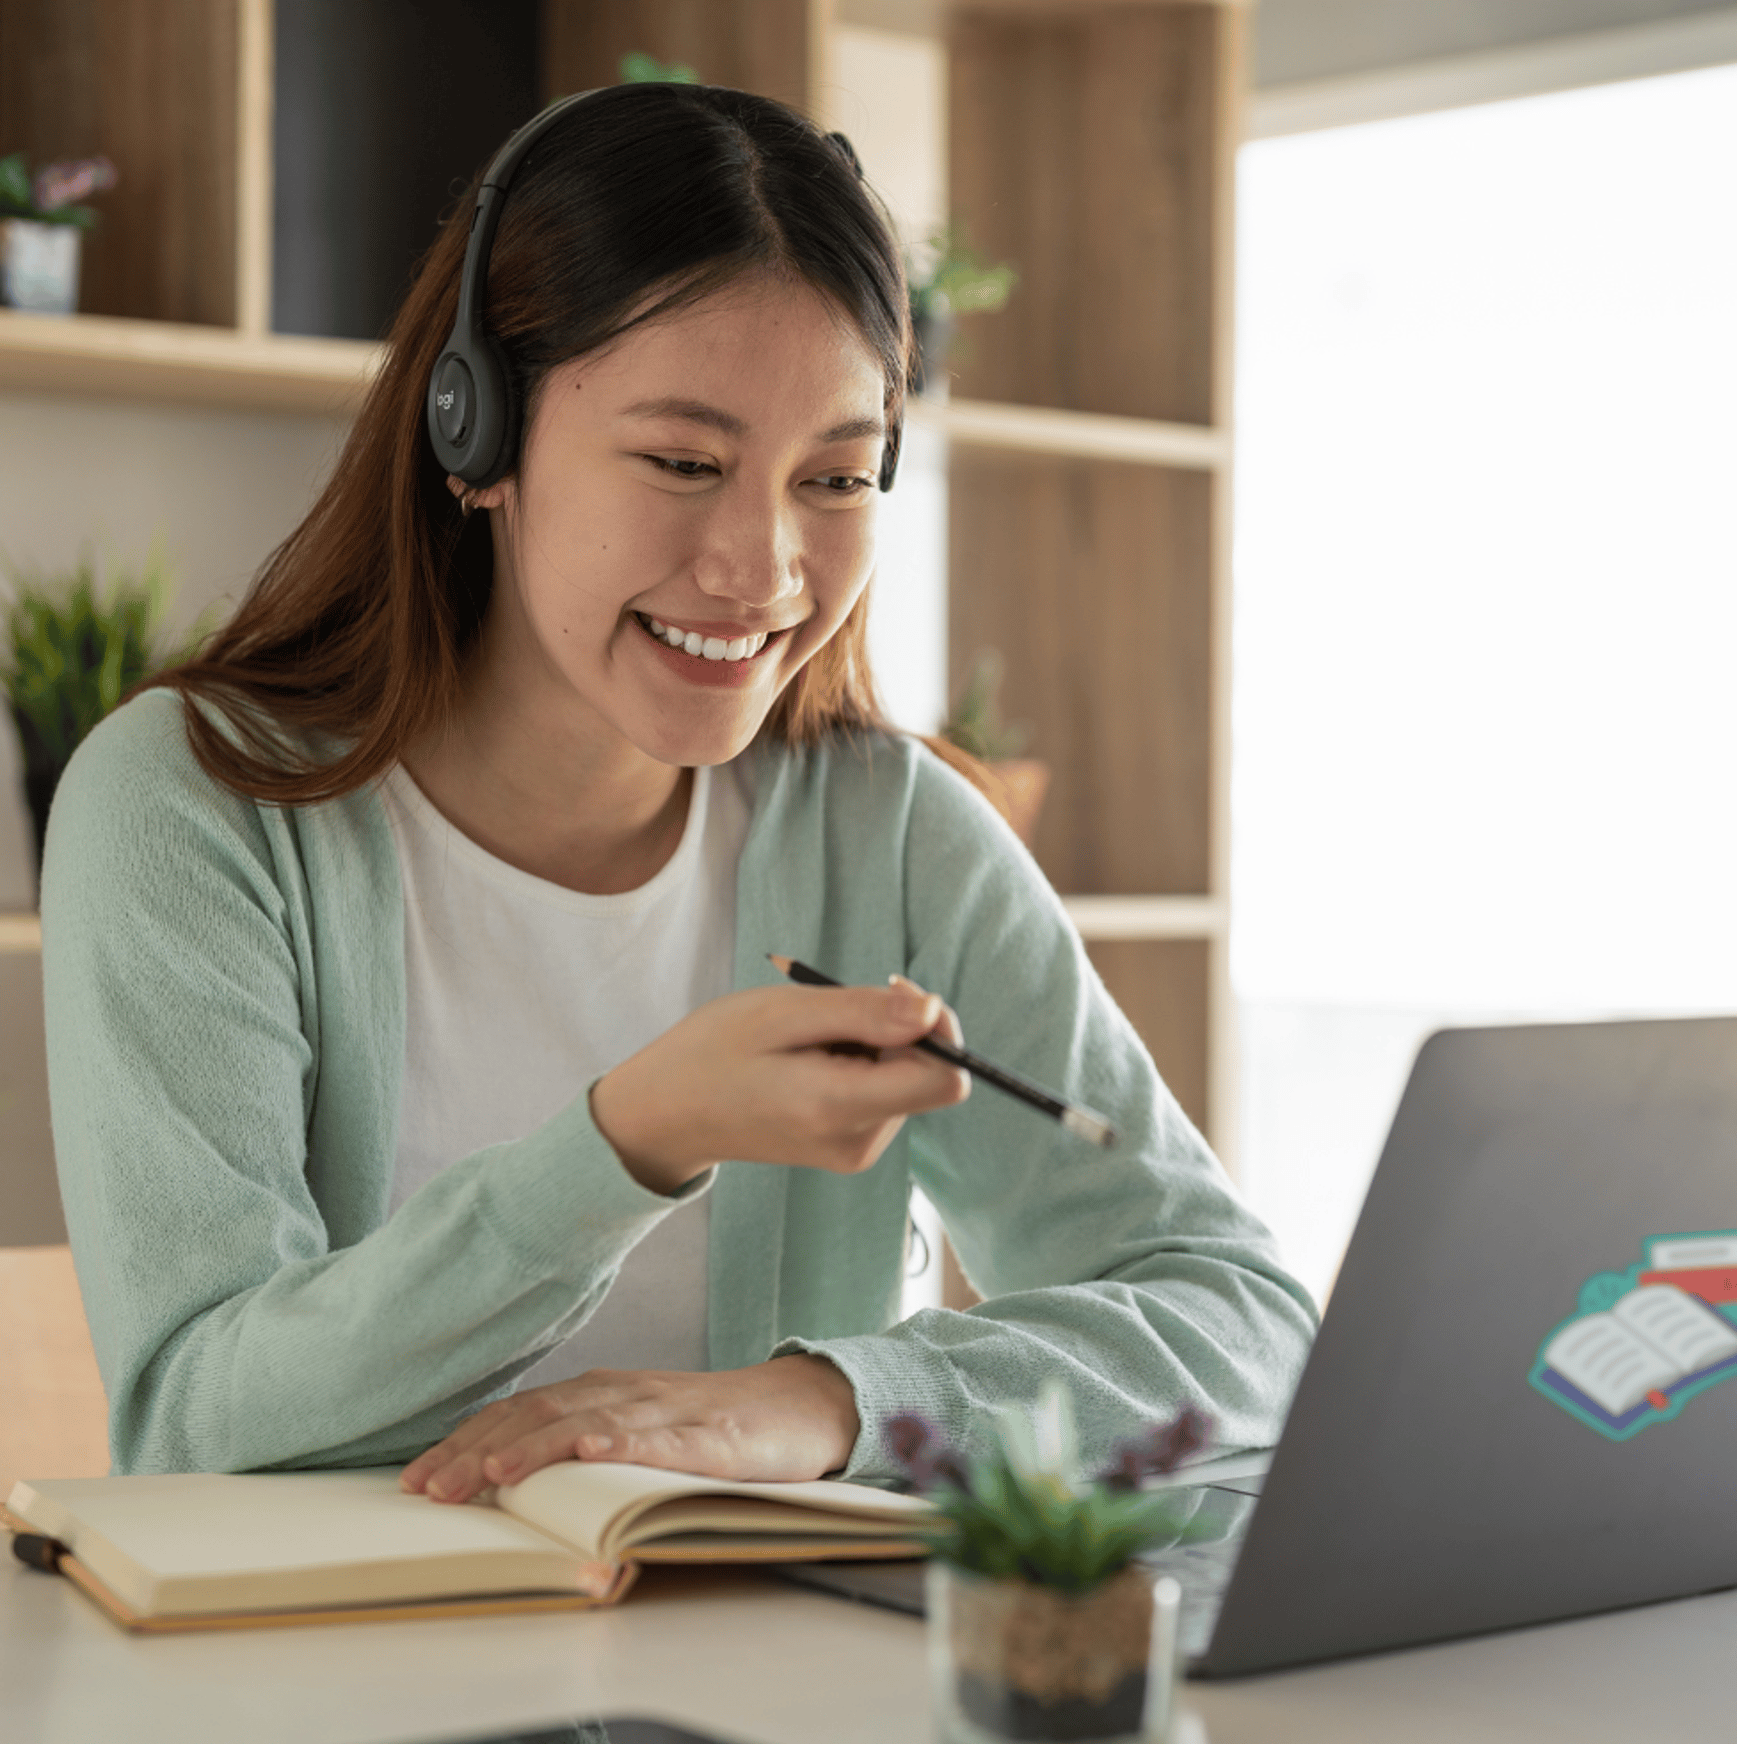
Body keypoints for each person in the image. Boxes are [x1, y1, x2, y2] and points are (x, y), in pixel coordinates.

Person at [41, 84, 1316, 1509]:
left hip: (771, 1706)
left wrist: (830, 1401)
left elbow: (1249, 1325)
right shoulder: (194, 811)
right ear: (478, 437)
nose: (764, 569)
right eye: (683, 463)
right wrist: (628, 1143)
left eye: (834, 478)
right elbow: (196, 1425)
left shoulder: (889, 835)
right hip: (346, 1705)